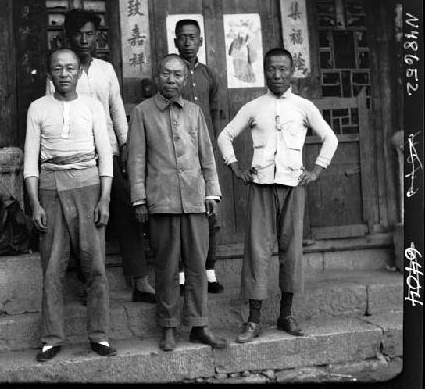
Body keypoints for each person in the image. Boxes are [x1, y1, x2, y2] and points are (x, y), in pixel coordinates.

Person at [217, 48, 338, 343]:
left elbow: (330, 138)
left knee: (291, 248)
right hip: (260, 185)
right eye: (272, 69)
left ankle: (286, 315)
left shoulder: (303, 106)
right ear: (265, 71)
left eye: (283, 69)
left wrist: (316, 170)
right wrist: (234, 167)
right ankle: (254, 320)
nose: (278, 74)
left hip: (293, 186)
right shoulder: (254, 106)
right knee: (258, 250)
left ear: (292, 70)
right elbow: (225, 136)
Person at [46, 9, 155, 303]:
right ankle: (88, 284)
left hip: (107, 152)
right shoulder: (62, 70)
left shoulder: (105, 70)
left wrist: (124, 144)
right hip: (77, 156)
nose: (84, 39)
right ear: (68, 36)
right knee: (85, 220)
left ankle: (140, 280)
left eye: (90, 34)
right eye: (78, 34)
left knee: (127, 208)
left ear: (97, 37)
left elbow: (117, 109)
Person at [127, 54, 228, 352]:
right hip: (161, 201)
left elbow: (206, 156)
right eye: (166, 74)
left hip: (196, 200)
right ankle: (168, 327)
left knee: (197, 266)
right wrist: (139, 199)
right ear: (157, 77)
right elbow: (135, 159)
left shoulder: (195, 111)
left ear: (185, 80)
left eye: (178, 76)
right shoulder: (143, 112)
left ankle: (199, 325)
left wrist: (212, 193)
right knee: (167, 267)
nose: (172, 80)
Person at [24, 48, 117, 360]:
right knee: (52, 267)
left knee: (94, 264)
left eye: (70, 68)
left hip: (88, 187)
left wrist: (104, 198)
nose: (64, 74)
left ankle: (99, 335)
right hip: (50, 188)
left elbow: (105, 155)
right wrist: (35, 203)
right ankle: (51, 338)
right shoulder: (37, 108)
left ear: (79, 72)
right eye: (58, 68)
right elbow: (30, 162)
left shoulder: (92, 106)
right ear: (49, 72)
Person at [173, 19, 224, 294]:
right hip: (179, 155)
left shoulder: (209, 75)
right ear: (176, 42)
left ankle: (209, 270)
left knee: (211, 212)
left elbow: (215, 113)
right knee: (181, 213)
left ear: (201, 41)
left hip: (205, 154)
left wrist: (213, 150)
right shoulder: (172, 74)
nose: (188, 42)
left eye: (193, 37)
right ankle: (181, 274)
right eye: (183, 37)